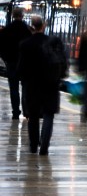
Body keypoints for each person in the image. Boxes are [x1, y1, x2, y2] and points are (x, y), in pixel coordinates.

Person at [17, 15, 67, 155]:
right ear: (43, 26)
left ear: (32, 26)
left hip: (32, 86)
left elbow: (21, 68)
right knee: (48, 114)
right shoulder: (54, 42)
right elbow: (62, 64)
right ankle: (44, 145)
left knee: (33, 116)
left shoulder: (25, 44)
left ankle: (33, 146)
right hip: (50, 84)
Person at [0, 8, 32, 120]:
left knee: (13, 88)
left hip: (12, 63)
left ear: (13, 16)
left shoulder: (7, 29)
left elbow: (1, 47)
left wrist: (6, 59)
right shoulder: (28, 30)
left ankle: (15, 112)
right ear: (22, 16)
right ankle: (26, 111)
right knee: (25, 87)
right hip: (25, 63)